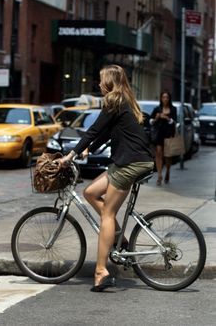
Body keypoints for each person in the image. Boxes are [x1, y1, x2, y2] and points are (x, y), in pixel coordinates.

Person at [60, 65, 154, 292]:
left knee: (108, 215)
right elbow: (106, 132)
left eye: (102, 80)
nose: (99, 84)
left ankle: (101, 271)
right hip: (130, 160)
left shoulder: (114, 99)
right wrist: (89, 149)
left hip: (129, 163)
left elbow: (93, 129)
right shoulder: (124, 99)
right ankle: (118, 237)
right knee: (90, 192)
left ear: (110, 82)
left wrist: (70, 155)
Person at [150, 91, 177, 186]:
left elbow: (175, 122)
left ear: (169, 99)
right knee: (158, 153)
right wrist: (156, 118)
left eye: (167, 97)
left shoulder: (173, 109)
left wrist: (167, 118)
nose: (165, 99)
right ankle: (160, 175)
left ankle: (168, 172)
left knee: (168, 156)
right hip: (159, 134)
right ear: (161, 98)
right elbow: (151, 121)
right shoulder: (157, 109)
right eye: (163, 97)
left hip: (169, 134)